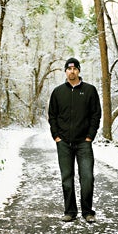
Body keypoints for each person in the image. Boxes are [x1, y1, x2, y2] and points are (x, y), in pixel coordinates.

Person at [48, 57, 102, 223]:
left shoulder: (89, 90)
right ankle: (70, 211)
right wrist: (56, 136)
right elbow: (52, 116)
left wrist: (89, 136)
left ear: (79, 70)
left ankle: (87, 212)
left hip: (83, 143)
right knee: (67, 178)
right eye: (69, 69)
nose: (72, 71)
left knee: (87, 177)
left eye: (75, 69)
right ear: (65, 71)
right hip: (63, 143)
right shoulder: (58, 92)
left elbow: (96, 115)